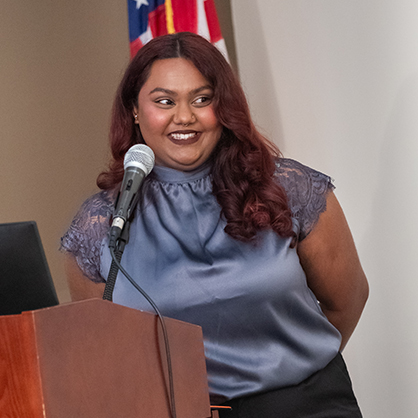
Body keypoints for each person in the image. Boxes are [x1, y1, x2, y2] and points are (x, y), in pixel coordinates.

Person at [61, 32, 368, 417]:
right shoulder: (101, 224)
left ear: (223, 107)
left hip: (305, 405)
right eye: (164, 101)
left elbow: (347, 301)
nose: (184, 117)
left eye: (202, 99)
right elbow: (103, 346)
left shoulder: (290, 189)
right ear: (135, 111)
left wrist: (295, 373)